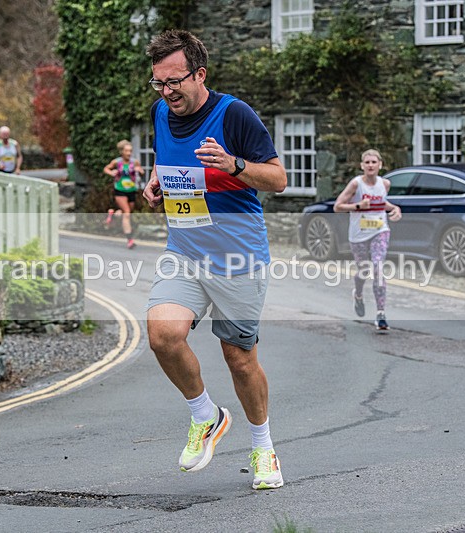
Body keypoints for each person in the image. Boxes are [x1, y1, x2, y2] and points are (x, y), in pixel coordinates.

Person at [142, 30, 287, 490]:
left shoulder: (234, 114)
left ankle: (263, 447)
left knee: (239, 359)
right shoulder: (160, 113)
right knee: (163, 335)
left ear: (199, 74)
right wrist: (156, 182)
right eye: (159, 82)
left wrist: (234, 165)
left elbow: (278, 179)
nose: (167, 92)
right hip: (184, 252)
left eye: (174, 82)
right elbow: (167, 159)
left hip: (238, 258)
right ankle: (205, 415)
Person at [333, 149, 402, 330]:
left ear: (380, 165)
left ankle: (381, 314)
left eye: (374, 162)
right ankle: (358, 294)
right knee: (363, 271)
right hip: (359, 234)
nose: (371, 165)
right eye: (367, 162)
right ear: (362, 165)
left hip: (380, 230)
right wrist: (358, 206)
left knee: (378, 267)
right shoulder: (356, 184)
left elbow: (382, 203)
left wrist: (395, 209)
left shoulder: (385, 184)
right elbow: (337, 206)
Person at [103, 139, 144, 249]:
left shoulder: (134, 162)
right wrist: (111, 172)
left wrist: (140, 170)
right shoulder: (117, 162)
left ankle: (112, 213)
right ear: (122, 151)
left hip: (131, 190)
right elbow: (106, 168)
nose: (129, 153)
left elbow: (142, 172)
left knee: (127, 212)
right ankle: (130, 240)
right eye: (126, 151)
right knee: (127, 213)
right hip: (120, 190)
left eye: (130, 151)